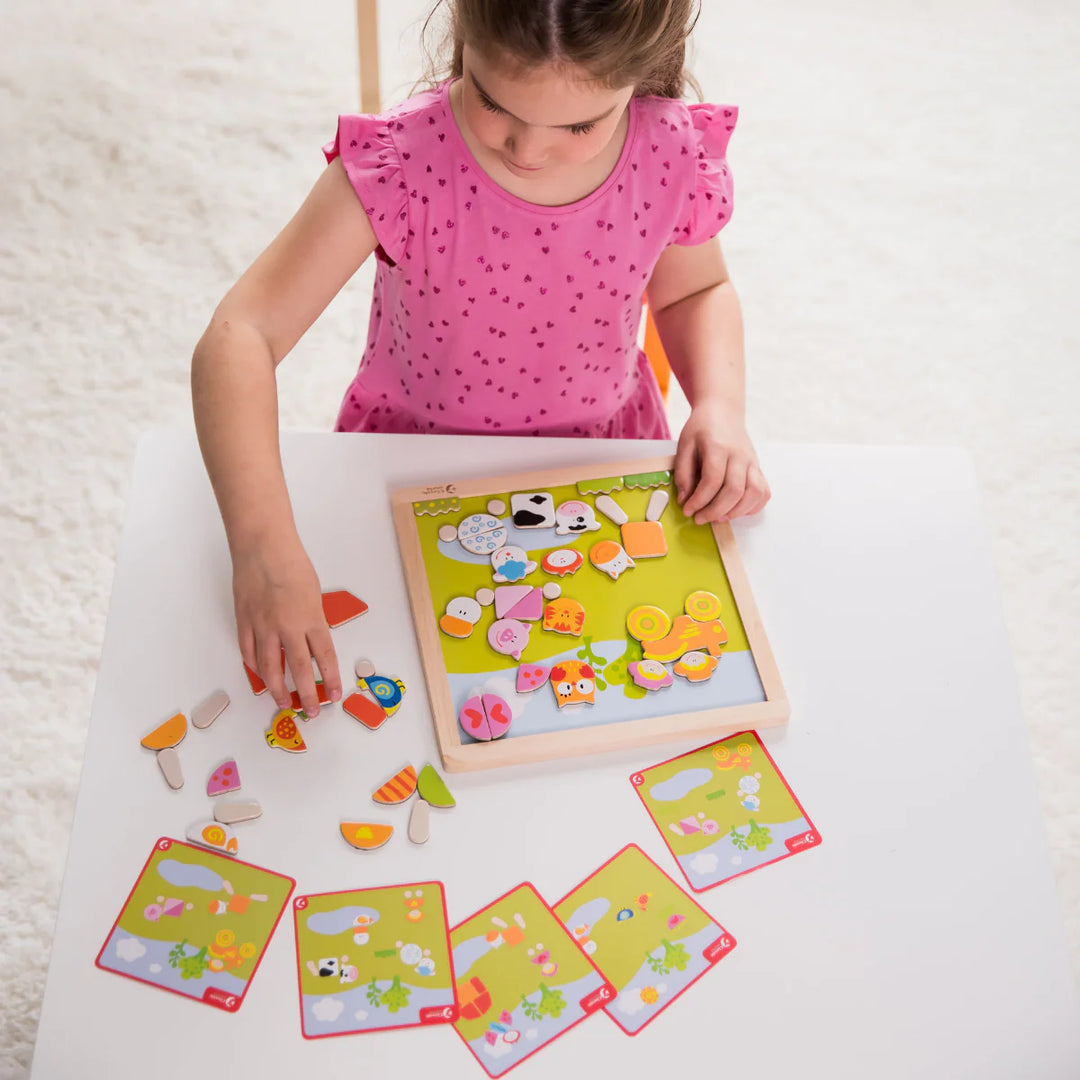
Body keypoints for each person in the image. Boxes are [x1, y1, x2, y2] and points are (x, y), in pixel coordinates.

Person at [191, 0, 771, 719]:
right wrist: (263, 549)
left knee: (594, 691)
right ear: (464, 34)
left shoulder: (669, 152)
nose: (527, 151)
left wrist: (720, 406)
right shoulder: (402, 164)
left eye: (579, 127)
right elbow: (239, 335)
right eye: (495, 104)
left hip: (598, 464)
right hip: (408, 468)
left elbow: (696, 291)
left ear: (640, 72)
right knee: (402, 701)